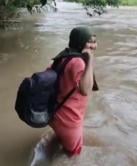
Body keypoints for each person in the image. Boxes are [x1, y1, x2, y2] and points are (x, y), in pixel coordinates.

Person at [49, 27, 97, 157]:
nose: (94, 46)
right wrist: (90, 60)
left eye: (95, 42)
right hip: (69, 120)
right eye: (90, 42)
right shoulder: (78, 62)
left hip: (56, 114)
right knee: (74, 157)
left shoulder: (64, 56)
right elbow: (85, 90)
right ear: (80, 42)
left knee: (59, 146)